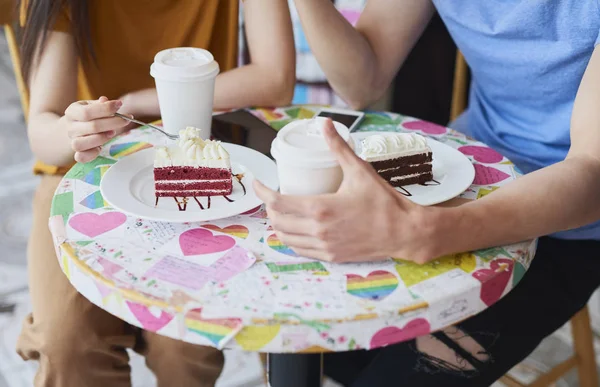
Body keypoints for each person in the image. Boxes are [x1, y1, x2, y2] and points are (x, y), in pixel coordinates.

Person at [254, 1, 600, 386]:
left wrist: (427, 233)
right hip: (467, 181)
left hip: (566, 228)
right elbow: (362, 82)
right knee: (300, 335)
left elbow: (593, 173)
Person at [14, 0, 295, 386]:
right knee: (68, 344)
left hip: (197, 165)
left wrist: (135, 102)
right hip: (78, 173)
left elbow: (276, 77)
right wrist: (73, 131)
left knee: (186, 342)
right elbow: (43, 132)